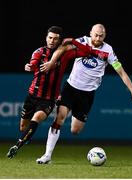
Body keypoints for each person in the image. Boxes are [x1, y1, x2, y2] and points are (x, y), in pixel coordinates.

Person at [36, 23, 132, 164]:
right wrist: (51, 62)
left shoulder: (108, 51)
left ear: (105, 36)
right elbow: (63, 48)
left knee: (75, 130)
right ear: (90, 33)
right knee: (60, 118)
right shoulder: (82, 41)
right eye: (96, 35)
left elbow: (121, 72)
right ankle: (47, 155)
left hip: (87, 94)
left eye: (101, 36)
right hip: (71, 88)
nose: (98, 38)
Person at [6, 25, 95, 159]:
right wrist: (29, 66)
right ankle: (27, 136)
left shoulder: (65, 54)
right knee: (23, 127)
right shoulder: (39, 52)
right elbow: (33, 63)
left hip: (48, 99)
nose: (52, 41)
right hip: (32, 96)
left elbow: (88, 52)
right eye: (50, 38)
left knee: (36, 119)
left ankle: (18, 145)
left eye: (55, 39)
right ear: (46, 38)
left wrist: (73, 42)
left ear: (60, 41)